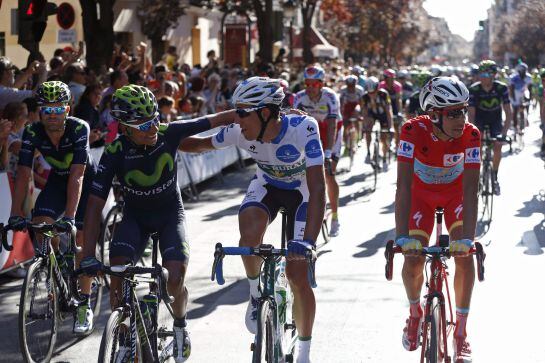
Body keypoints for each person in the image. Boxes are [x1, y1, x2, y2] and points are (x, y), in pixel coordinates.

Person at [78, 84, 241, 363]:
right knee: (117, 273)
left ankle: (180, 326)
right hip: (135, 219)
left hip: (169, 216)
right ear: (125, 127)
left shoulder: (169, 132)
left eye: (154, 119)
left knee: (174, 281)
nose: (153, 128)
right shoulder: (115, 151)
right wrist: (89, 256)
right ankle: (125, 333)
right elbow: (93, 206)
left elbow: (221, 118)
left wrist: (275, 114)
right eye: (143, 125)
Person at [179, 76, 325, 363]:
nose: (237, 118)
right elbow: (196, 145)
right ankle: (256, 292)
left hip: (302, 193)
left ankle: (305, 352)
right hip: (267, 186)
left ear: (266, 112)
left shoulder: (304, 128)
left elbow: (318, 188)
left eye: (243, 111)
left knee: (297, 275)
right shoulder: (240, 132)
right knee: (248, 238)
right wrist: (161, 135)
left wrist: (307, 242)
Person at [395, 76, 480, 362]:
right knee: (413, 258)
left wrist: (468, 238)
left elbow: (471, 189)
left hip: (455, 196)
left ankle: (461, 334)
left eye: (464, 110)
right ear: (433, 114)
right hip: (421, 196)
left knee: (464, 257)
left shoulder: (471, 135)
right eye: (453, 113)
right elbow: (403, 186)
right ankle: (415, 312)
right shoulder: (411, 131)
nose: (461, 118)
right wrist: (401, 237)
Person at [8, 81, 97, 335]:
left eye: (58, 109)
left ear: (68, 109)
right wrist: (16, 214)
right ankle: (55, 270)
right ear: (40, 111)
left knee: (79, 237)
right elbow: (24, 174)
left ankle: (84, 302)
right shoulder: (33, 131)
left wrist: (69, 217)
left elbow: (78, 175)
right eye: (47, 110)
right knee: (41, 224)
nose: (52, 115)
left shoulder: (79, 128)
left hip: (86, 182)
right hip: (59, 179)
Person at [294, 65, 342, 237]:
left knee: (329, 174)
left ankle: (335, 217)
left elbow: (332, 126)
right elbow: (294, 127)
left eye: (314, 84)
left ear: (321, 84)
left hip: (330, 131)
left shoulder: (330, 97)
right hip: (310, 133)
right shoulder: (299, 98)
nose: (310, 88)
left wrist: (328, 152)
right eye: (307, 84)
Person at [468, 60, 512, 195]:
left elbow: (508, 112)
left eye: (487, 73)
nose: (483, 76)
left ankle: (495, 176)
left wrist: (504, 133)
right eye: (481, 73)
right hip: (479, 119)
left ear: (494, 75)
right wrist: (473, 132)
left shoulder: (501, 88)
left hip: (495, 119)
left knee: (497, 145)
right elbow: (471, 114)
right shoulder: (474, 89)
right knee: (478, 147)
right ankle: (478, 176)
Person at [361, 76, 393, 168]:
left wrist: (390, 127)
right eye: (369, 92)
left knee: (383, 138)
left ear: (377, 88)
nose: (372, 94)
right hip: (372, 115)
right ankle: (368, 153)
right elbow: (365, 114)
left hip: (383, 115)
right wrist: (364, 126)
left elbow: (388, 111)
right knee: (368, 130)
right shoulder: (364, 97)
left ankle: (384, 158)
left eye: (373, 92)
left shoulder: (384, 94)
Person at [380, 69, 403, 146]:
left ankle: (397, 146)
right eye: (391, 78)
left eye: (393, 78)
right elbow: (379, 100)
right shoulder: (381, 86)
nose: (392, 80)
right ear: (385, 78)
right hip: (384, 106)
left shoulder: (397, 86)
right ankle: (385, 145)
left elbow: (398, 100)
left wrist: (399, 112)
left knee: (397, 128)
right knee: (383, 129)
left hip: (394, 105)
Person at [509, 62, 533, 133]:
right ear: (518, 71)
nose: (523, 73)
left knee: (523, 107)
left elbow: (530, 88)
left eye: (524, 71)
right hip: (515, 93)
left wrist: (530, 97)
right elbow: (511, 89)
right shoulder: (513, 77)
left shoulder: (529, 77)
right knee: (515, 110)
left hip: (523, 93)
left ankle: (523, 122)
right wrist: (513, 98)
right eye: (521, 71)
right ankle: (515, 126)